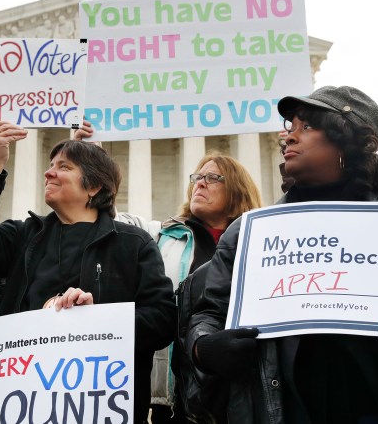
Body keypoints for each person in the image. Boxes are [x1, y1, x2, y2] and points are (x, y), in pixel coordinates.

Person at [187, 86, 378, 423]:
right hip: (284, 409)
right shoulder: (251, 230)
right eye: (291, 127)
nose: (288, 137)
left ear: (347, 142)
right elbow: (207, 313)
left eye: (307, 127)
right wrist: (205, 348)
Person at [0, 121, 177, 424]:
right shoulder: (24, 237)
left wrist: (97, 319)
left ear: (94, 186)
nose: (49, 172)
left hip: (97, 406)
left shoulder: (133, 245)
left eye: (64, 167)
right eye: (50, 165)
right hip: (24, 402)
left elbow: (163, 319)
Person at [75, 123, 263, 423]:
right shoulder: (160, 236)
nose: (199, 184)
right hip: (172, 397)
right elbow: (107, 219)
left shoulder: (260, 244)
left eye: (212, 178)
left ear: (238, 190)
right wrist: (91, 163)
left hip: (238, 392)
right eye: (197, 178)